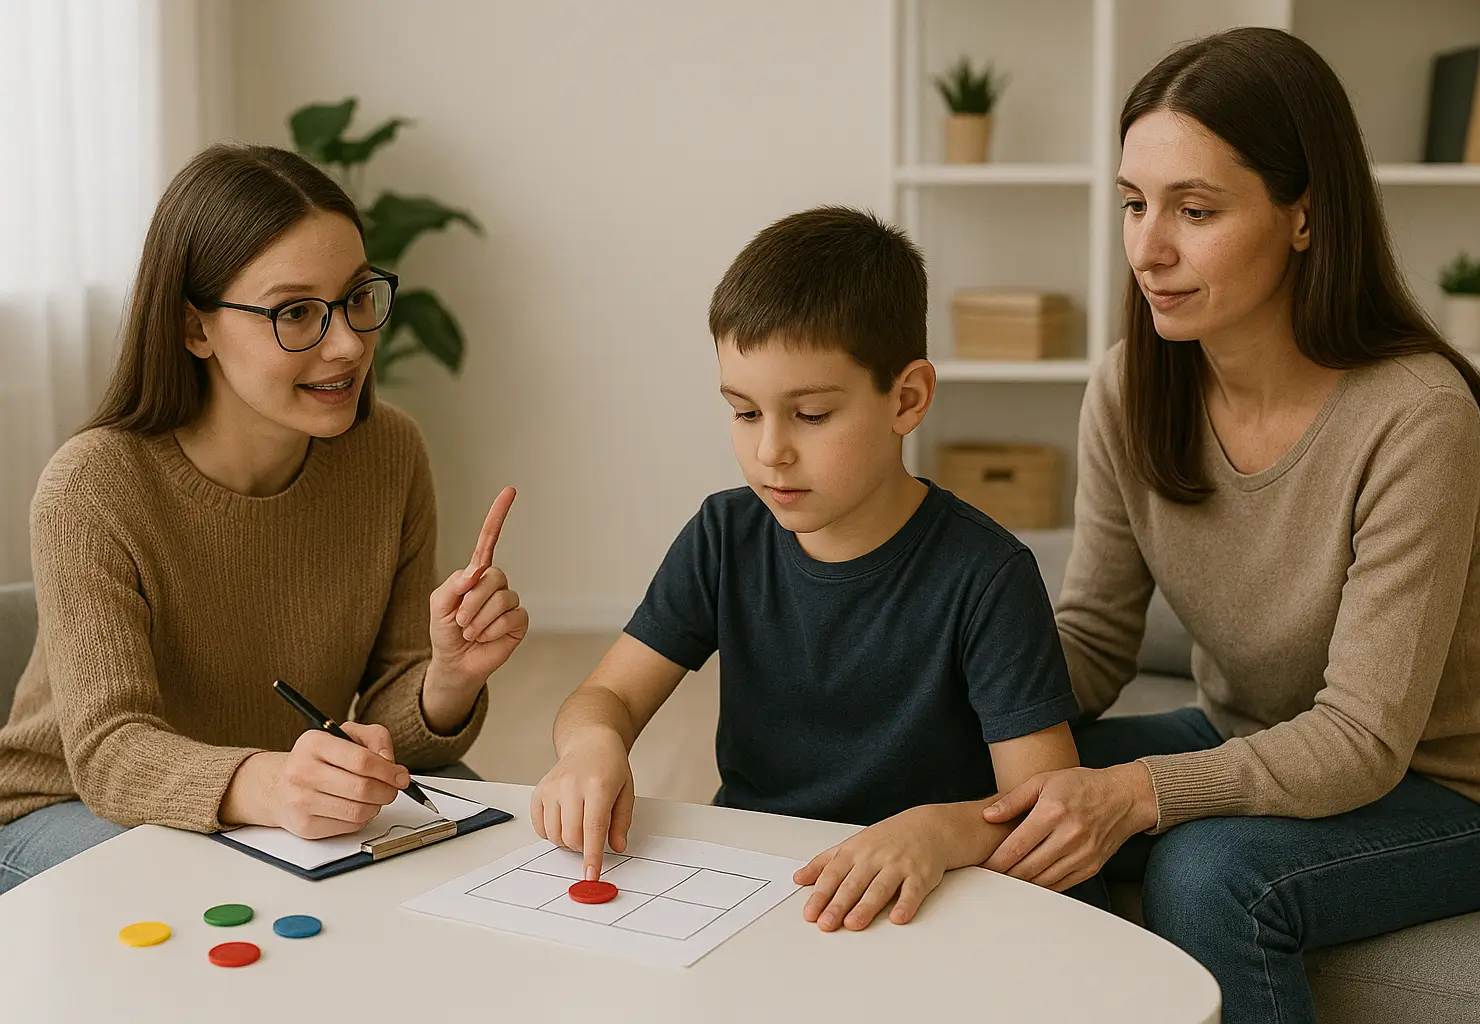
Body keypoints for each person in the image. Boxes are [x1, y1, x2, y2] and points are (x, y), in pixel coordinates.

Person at [973, 28, 1480, 1021]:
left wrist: (1135, 792)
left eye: (1195, 210)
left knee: (1208, 873)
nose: (1149, 249)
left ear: (1304, 215)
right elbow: (1094, 640)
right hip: (1244, 732)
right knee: (1008, 787)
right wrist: (946, 699)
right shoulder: (1129, 386)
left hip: (1446, 792)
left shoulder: (1416, 414)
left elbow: (1362, 738)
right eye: (1134, 204)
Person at [531, 206, 1084, 932]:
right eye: (745, 413)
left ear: (907, 399)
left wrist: (939, 833)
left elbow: (1049, 805)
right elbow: (606, 695)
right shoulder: (724, 535)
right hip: (759, 882)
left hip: (922, 899)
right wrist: (592, 744)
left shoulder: (987, 575)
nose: (771, 452)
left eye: (812, 415)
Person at [0, 143, 527, 894]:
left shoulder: (388, 453)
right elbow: (111, 754)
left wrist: (446, 677)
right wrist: (271, 785)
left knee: (470, 860)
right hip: (68, 809)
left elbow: (392, 719)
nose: (347, 343)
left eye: (356, 298)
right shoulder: (93, 488)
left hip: (275, 802)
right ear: (195, 329)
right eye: (295, 312)